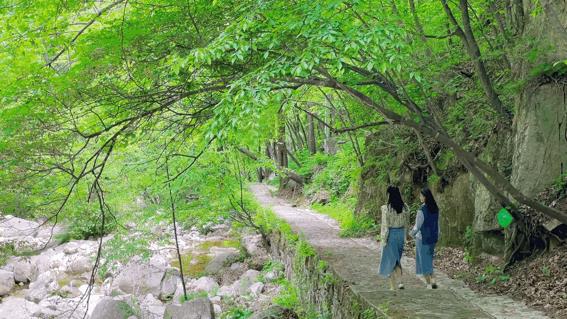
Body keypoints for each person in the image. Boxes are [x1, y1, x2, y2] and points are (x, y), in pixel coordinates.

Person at [378, 186, 410, 290]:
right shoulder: (405, 207)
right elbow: (407, 223)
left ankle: (392, 287)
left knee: (389, 260)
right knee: (397, 259)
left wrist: (384, 240)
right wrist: (405, 236)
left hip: (391, 234)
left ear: (389, 195)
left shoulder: (386, 208)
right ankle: (400, 282)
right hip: (400, 234)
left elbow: (385, 226)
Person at [410, 187, 440, 289]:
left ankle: (428, 284)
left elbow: (417, 226)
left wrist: (411, 234)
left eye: (421, 195)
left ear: (425, 197)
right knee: (429, 259)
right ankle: (434, 280)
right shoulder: (435, 208)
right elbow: (437, 224)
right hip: (433, 237)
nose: (420, 197)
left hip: (422, 239)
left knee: (423, 261)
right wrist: (438, 235)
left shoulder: (421, 210)